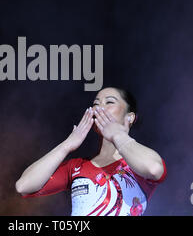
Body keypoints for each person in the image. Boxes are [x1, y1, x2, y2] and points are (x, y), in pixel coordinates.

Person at [15, 87, 167, 216]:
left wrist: (117, 135)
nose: (99, 108)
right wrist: (67, 145)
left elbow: (154, 169)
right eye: (96, 104)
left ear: (130, 117)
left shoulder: (138, 161)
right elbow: (23, 186)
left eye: (109, 102)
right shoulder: (76, 167)